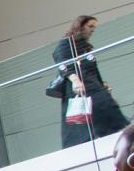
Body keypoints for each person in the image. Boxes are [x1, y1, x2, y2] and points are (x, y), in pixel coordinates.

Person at [53, 15, 129, 148]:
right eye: (90, 26)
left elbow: (93, 69)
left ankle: (112, 134)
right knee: (84, 120)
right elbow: (63, 64)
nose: (93, 29)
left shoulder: (84, 46)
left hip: (93, 86)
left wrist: (102, 84)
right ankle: (86, 143)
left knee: (104, 109)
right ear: (79, 26)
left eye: (94, 27)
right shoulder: (66, 44)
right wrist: (75, 80)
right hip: (80, 87)